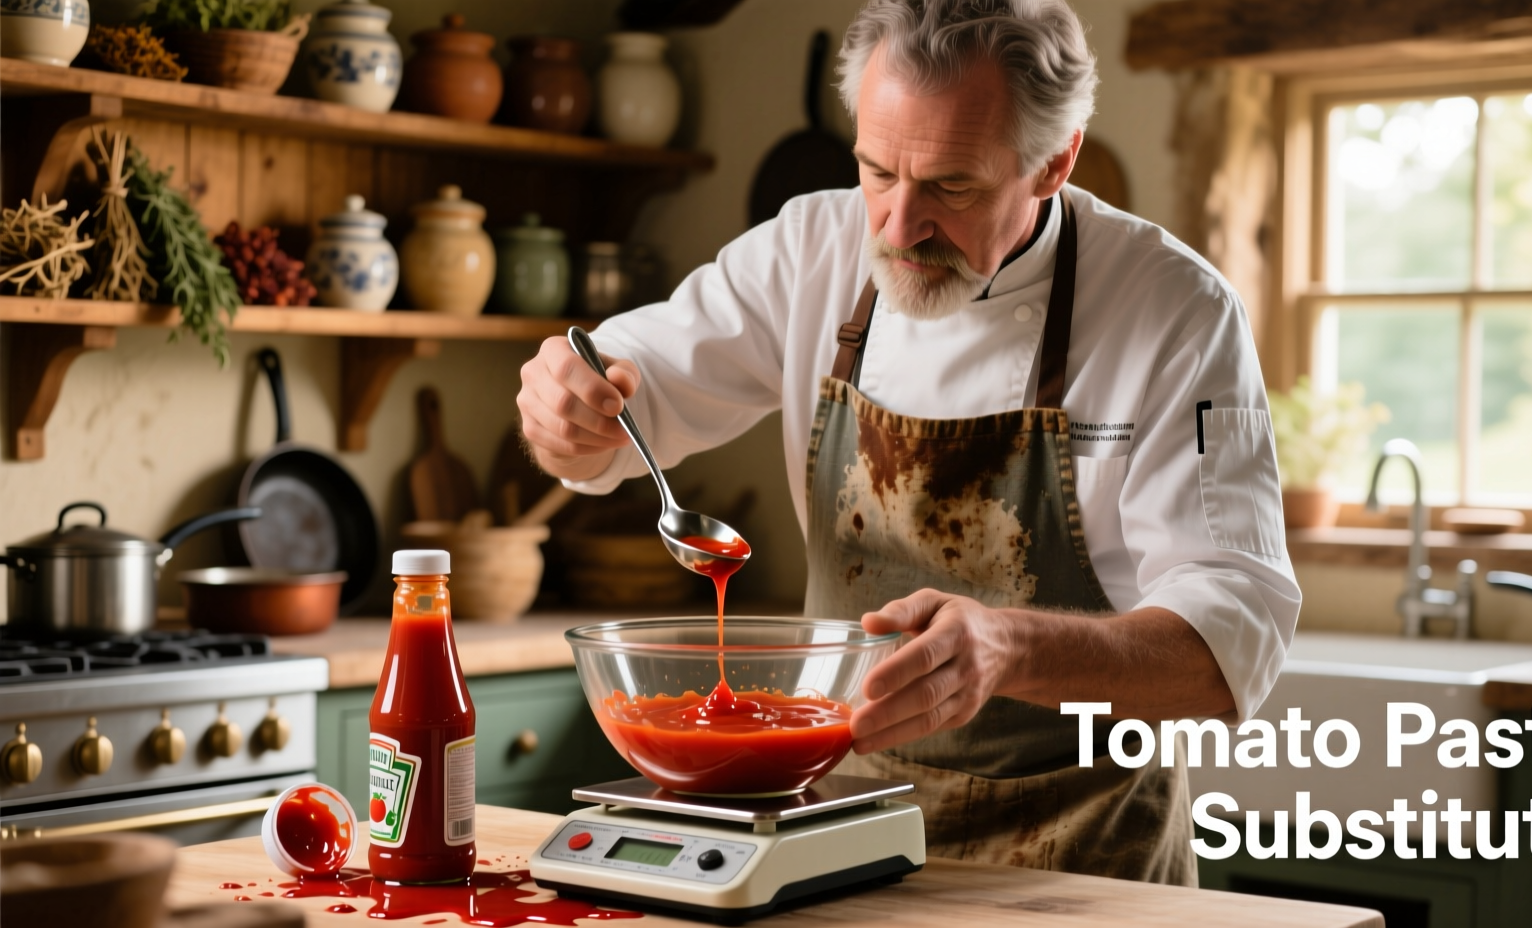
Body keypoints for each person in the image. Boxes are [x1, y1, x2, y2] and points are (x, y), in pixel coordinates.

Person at [518, 0, 1299, 886]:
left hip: (1085, 859)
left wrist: (1011, 648)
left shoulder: (1174, 313)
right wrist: (566, 415)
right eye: (877, 171)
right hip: (841, 831)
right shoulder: (807, 250)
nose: (896, 228)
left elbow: (1229, 646)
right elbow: (625, 405)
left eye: (952, 187)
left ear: (1055, 161)